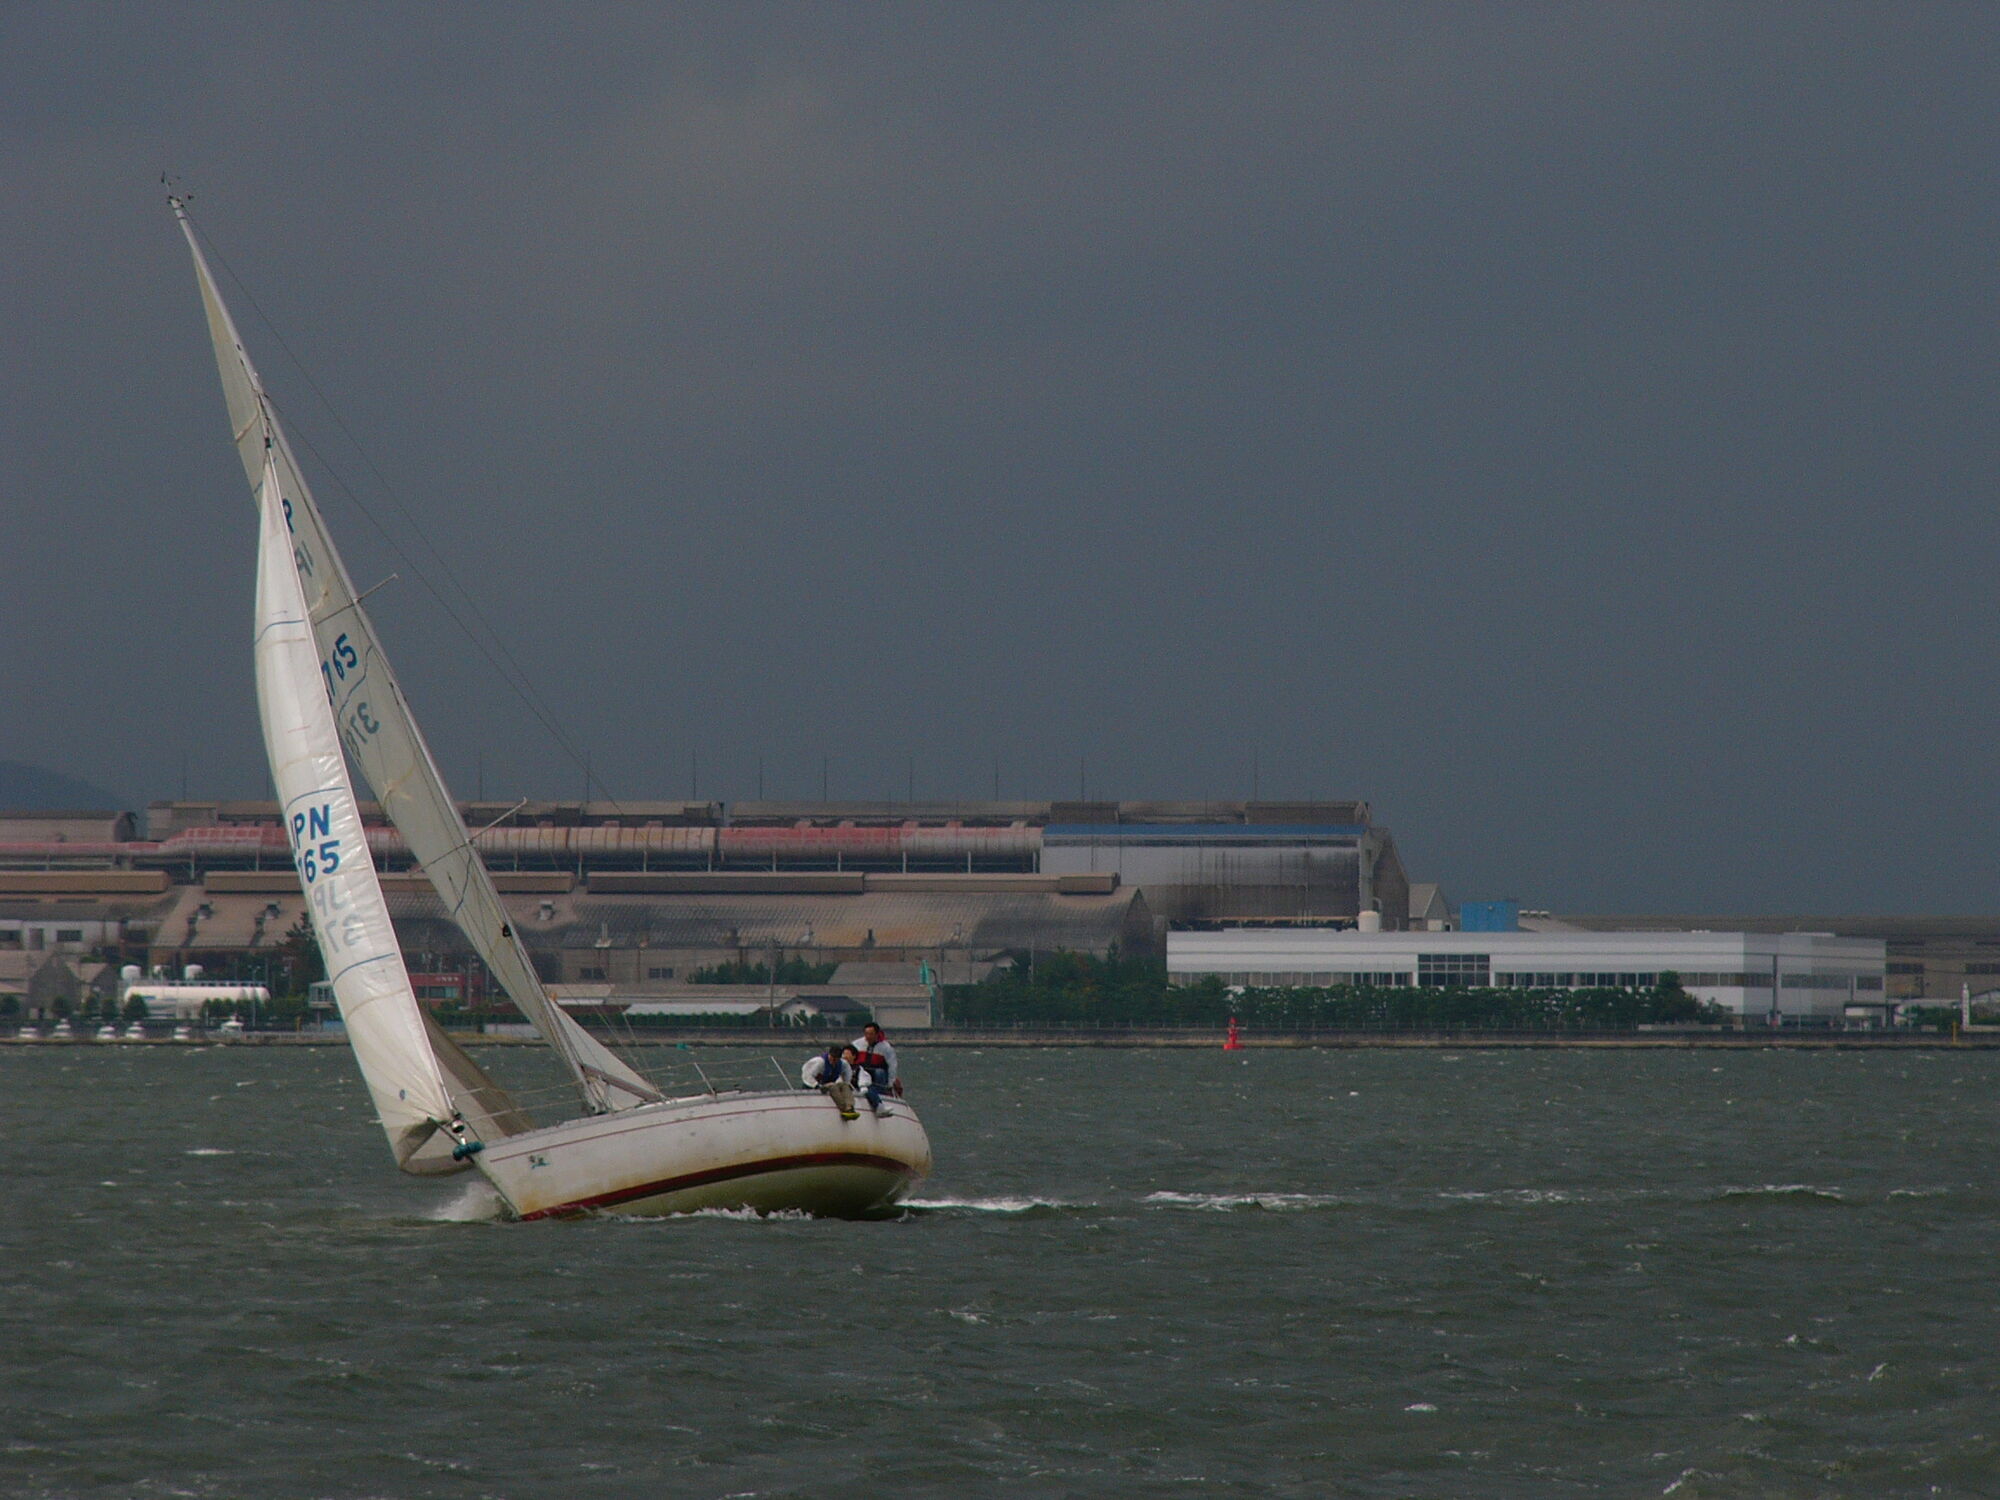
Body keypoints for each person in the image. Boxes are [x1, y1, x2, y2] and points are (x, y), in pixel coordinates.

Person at [801, 1043, 857, 1119]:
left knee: (844, 1086)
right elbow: (807, 1075)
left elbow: (847, 1077)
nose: (833, 1060)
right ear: (829, 1055)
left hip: (829, 1084)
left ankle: (850, 1107)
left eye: (836, 1058)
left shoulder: (843, 1064)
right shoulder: (820, 1062)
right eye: (832, 1057)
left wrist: (845, 1084)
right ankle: (843, 1108)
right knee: (832, 1086)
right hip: (816, 1086)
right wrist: (816, 1085)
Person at [851, 1022, 900, 1100]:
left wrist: (891, 1082)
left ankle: (880, 1094)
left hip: (878, 1072)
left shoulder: (886, 1048)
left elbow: (892, 1066)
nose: (868, 1036)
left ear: (877, 1034)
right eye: (866, 1034)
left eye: (871, 1034)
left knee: (879, 1073)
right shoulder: (856, 1044)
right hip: (861, 1069)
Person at [847, 1044, 888, 1117]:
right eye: (843, 1054)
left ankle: (879, 1106)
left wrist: (863, 1087)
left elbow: (863, 1077)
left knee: (870, 1089)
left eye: (847, 1054)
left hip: (857, 1088)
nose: (844, 1056)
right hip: (846, 1088)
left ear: (854, 1056)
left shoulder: (858, 1068)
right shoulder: (840, 1066)